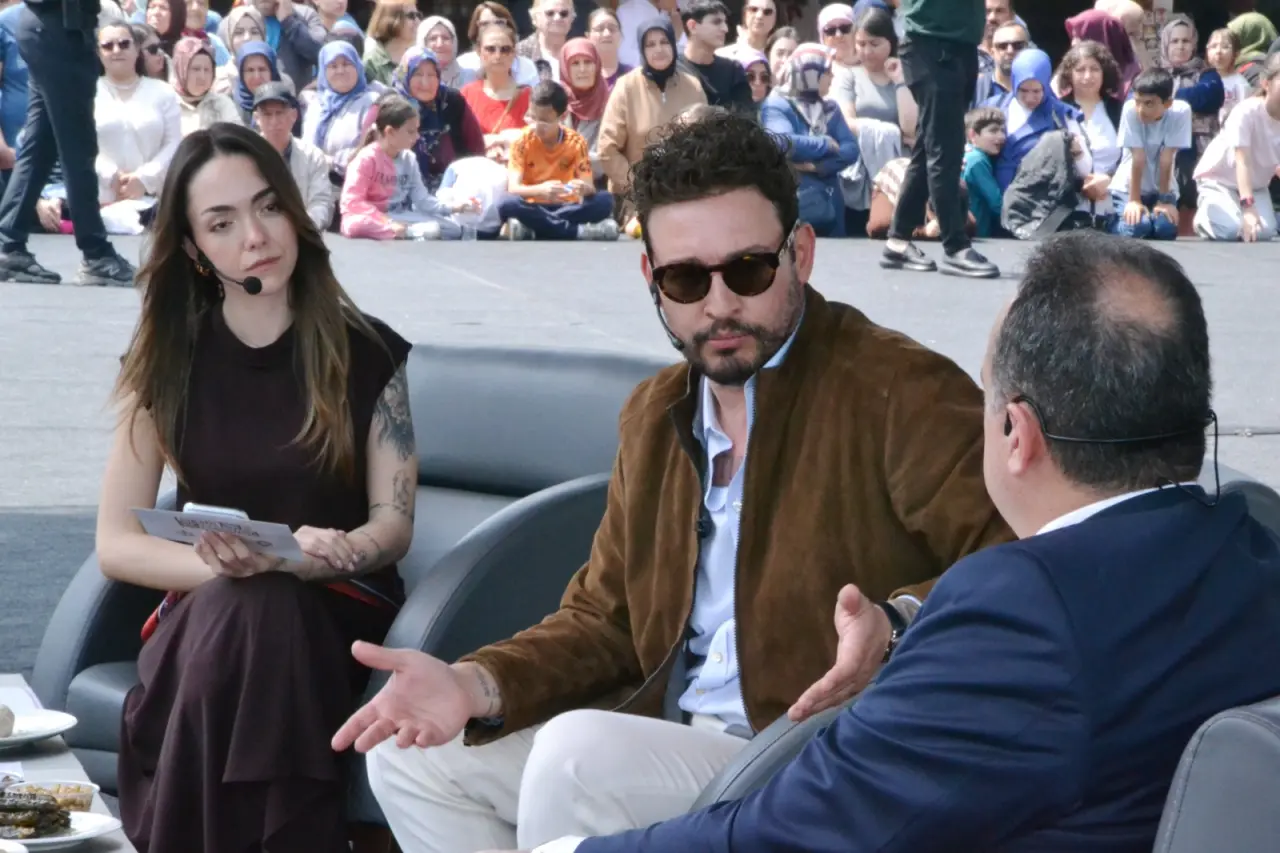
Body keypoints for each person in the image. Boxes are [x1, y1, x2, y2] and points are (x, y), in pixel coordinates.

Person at [337, 111, 1012, 853]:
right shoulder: (656, 415)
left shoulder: (897, 390)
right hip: (673, 741)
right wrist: (475, 685)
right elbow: (605, 622)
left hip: (821, 755)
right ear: (651, 280)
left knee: (577, 757)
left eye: (749, 270)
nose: (719, 305)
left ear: (801, 254)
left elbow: (1021, 559)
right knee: (410, 756)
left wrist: (899, 623)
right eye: (686, 278)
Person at [513, 228, 1280, 853]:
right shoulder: (1246, 552)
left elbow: (802, 831)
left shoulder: (1022, 612)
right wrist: (905, 619)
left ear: (1017, 434)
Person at [101, 122, 416, 852]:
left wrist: (312, 558)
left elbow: (392, 523)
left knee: (268, 606)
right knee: (252, 605)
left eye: (268, 206)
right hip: (209, 615)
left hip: (337, 612)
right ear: (193, 248)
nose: (256, 236)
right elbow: (116, 542)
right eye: (222, 223)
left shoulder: (368, 351)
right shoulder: (165, 361)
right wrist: (235, 569)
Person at [0, 0, 136, 284]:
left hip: (47, 27)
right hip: (61, 30)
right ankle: (96, 252)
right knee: (78, 148)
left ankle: (8, 243)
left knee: (41, 145)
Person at [879, 0, 999, 279]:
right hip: (931, 46)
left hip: (960, 45)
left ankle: (898, 242)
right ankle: (955, 246)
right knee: (946, 149)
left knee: (929, 146)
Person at [598, 17, 706, 227]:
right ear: (642, 49)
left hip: (684, 197)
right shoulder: (626, 87)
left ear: (673, 44)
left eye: (664, 42)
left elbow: (706, 143)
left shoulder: (693, 87)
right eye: (650, 44)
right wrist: (640, 185)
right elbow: (607, 149)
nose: (659, 49)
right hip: (635, 199)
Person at [339, 94, 477, 240]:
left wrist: (456, 207)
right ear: (390, 132)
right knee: (354, 225)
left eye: (417, 130)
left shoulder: (409, 159)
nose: (417, 136)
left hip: (399, 216)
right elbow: (352, 202)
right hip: (372, 217)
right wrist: (386, 221)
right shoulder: (366, 159)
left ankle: (407, 232)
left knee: (452, 228)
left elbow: (422, 200)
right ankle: (406, 232)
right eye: (410, 131)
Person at [759, 43, 858, 237]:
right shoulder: (777, 105)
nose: (832, 76)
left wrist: (817, 167)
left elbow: (851, 150)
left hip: (831, 202)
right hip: (797, 200)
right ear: (811, 74)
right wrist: (825, 143)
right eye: (827, 72)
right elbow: (782, 143)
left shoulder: (830, 109)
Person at [498, 80, 617, 241]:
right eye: (533, 118)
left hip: (567, 205)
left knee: (605, 201)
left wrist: (583, 188)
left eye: (545, 121)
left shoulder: (576, 142)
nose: (538, 126)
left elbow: (588, 187)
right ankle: (577, 231)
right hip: (534, 205)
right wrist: (540, 190)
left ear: (563, 116)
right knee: (507, 203)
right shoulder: (522, 141)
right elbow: (513, 188)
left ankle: (536, 229)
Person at [94, 19, 182, 234]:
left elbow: (174, 143)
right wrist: (111, 176)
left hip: (153, 206)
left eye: (124, 44)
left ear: (136, 50)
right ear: (98, 53)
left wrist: (144, 179)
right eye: (108, 46)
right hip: (100, 203)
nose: (117, 50)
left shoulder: (163, 92)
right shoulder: (86, 94)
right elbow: (78, 145)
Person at [1193, 53, 1280, 242]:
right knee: (1230, 230)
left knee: (1264, 232)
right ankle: (1205, 216)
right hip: (1220, 180)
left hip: (1256, 186)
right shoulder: (1246, 112)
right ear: (1266, 83)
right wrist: (1248, 207)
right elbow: (1243, 161)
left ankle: (1237, 213)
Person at [1109, 67, 1190, 241]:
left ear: (1167, 103)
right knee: (1137, 228)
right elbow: (1138, 158)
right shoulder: (1130, 110)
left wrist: (1164, 200)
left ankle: (1152, 219)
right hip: (1129, 186)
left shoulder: (1181, 112)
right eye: (1138, 101)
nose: (1141, 109)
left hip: (1162, 186)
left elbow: (1166, 159)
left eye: (1149, 103)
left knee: (1165, 230)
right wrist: (1134, 200)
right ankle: (1111, 224)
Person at [394, 46, 485, 192]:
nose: (425, 82)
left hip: (455, 186)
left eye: (431, 75)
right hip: (402, 188)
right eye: (417, 74)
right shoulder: (393, 108)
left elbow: (476, 149)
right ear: (406, 75)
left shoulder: (451, 101)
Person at [254, 81, 333, 231]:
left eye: (279, 113)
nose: (274, 121)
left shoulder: (313, 155)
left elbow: (321, 201)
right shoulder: (246, 155)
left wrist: (304, 229)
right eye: (267, 114)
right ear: (257, 118)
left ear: (294, 115)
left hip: (303, 231)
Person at [678, 0, 751, 112]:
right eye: (716, 22)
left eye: (725, 22)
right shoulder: (675, 69)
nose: (725, 29)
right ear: (692, 26)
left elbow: (746, 115)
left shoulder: (733, 70)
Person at [173, 36, 242, 137]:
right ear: (181, 69)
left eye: (207, 70)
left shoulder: (221, 103)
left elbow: (237, 137)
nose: (202, 76)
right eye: (196, 69)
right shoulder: (168, 103)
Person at [962, 105, 1005, 237]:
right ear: (973, 134)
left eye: (1002, 131)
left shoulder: (966, 154)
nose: (1001, 137)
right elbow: (996, 203)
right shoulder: (977, 160)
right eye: (993, 131)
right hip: (977, 235)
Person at [974, 20, 1026, 108]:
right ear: (992, 52)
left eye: (1018, 45)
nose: (1010, 51)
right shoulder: (976, 88)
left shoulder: (1041, 87)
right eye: (1002, 46)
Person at [1205, 28, 1252, 124]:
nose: (1218, 51)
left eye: (1225, 47)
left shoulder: (1240, 84)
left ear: (1236, 53)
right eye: (1213, 46)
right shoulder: (1200, 79)